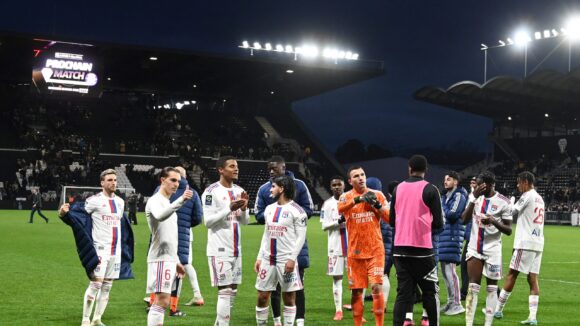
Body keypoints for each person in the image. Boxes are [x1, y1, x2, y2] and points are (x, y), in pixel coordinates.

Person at [58, 169, 134, 326]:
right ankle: (85, 320)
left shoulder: (120, 202)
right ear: (102, 183)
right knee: (96, 284)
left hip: (116, 250)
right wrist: (64, 214)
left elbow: (122, 225)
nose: (113, 182)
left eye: (114, 180)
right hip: (100, 248)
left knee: (107, 286)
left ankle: (97, 319)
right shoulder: (94, 201)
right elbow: (78, 216)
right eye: (110, 180)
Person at [254, 155, 313, 326]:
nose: (269, 189)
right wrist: (259, 256)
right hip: (267, 259)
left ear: (281, 189)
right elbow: (266, 234)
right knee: (263, 294)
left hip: (286, 259)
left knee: (289, 295)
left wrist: (292, 259)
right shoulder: (269, 210)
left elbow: (301, 236)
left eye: (273, 187)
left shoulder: (298, 211)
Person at [389, 155, 444, 326]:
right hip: (422, 250)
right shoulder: (431, 189)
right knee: (430, 292)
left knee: (403, 294)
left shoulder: (398, 189)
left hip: (399, 249)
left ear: (409, 168)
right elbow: (439, 223)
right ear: (426, 170)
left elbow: (392, 221)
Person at [146, 166, 204, 316]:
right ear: (162, 180)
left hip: (169, 257)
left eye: (178, 181)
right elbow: (159, 216)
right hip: (160, 257)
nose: (177, 184)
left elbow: (171, 236)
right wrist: (181, 200)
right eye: (173, 180)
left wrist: (176, 260)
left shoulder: (166, 202)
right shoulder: (155, 200)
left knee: (163, 301)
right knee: (161, 301)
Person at [337, 166, 390, 326]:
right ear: (350, 181)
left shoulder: (378, 195)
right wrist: (357, 200)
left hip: (375, 250)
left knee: (376, 288)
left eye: (362, 174)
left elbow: (390, 219)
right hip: (355, 252)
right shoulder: (345, 197)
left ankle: (379, 324)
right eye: (356, 176)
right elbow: (340, 209)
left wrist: (377, 206)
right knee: (357, 293)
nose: (360, 178)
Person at [202, 156, 250, 325]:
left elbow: (245, 221)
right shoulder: (210, 192)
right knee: (225, 289)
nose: (236, 169)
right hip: (219, 249)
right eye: (231, 166)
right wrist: (228, 208)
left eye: (236, 166)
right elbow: (207, 222)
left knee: (233, 289)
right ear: (221, 170)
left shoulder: (239, 190)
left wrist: (243, 209)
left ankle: (219, 323)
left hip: (237, 249)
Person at [461, 171, 512, 326]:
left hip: (493, 250)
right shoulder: (475, 198)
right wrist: (472, 198)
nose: (477, 187)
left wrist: (493, 221)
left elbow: (508, 230)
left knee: (491, 288)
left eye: (481, 184)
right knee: (473, 287)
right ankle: (469, 323)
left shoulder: (504, 202)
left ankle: (487, 324)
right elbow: (464, 220)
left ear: (489, 185)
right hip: (474, 248)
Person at [493, 171, 545, 326]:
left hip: (526, 242)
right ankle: (533, 317)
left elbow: (512, 212)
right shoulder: (540, 198)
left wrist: (509, 203)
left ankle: (497, 310)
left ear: (526, 182)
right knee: (532, 278)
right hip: (538, 242)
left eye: (519, 182)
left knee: (511, 274)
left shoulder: (527, 195)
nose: (517, 185)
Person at [439, 171, 468, 316]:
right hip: (444, 237)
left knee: (451, 272)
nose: (445, 181)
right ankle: (451, 301)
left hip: (452, 237)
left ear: (456, 182)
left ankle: (457, 304)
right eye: (445, 179)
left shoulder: (459, 195)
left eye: (448, 179)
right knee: (445, 272)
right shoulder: (445, 197)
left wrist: (441, 206)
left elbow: (452, 214)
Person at [321, 176, 348, 321]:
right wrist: (339, 221)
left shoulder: (351, 200)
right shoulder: (327, 204)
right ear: (331, 187)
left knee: (356, 280)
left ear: (344, 186)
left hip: (353, 246)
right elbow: (324, 226)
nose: (337, 187)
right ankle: (338, 310)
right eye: (334, 185)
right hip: (335, 246)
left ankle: (358, 309)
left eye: (339, 184)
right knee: (337, 278)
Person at [461, 176, 477, 301]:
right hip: (470, 234)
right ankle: (464, 291)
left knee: (465, 263)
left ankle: (464, 291)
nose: (472, 183)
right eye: (471, 182)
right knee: (467, 264)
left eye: (474, 182)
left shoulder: (477, 197)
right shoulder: (470, 196)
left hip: (475, 235)